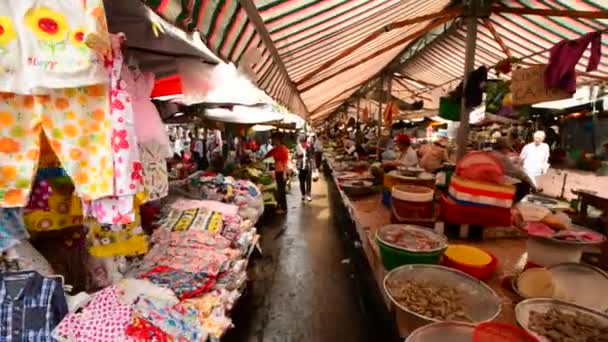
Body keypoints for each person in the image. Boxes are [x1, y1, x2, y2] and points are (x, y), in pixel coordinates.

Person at [264, 133, 290, 214]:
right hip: (277, 172)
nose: (273, 140)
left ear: (278, 140)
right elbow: (266, 156)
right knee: (279, 190)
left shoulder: (283, 149)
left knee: (282, 191)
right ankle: (280, 207)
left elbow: (285, 162)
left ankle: (284, 208)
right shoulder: (275, 149)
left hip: (282, 172)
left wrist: (285, 174)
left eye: (274, 139)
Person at [296, 135, 314, 202]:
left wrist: (313, 167)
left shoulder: (308, 147)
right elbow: (297, 157)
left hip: (308, 166)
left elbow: (311, 157)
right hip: (300, 167)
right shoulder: (298, 147)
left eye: (304, 142)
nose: (303, 143)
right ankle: (303, 194)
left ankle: (308, 195)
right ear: (300, 142)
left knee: (308, 182)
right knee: (302, 182)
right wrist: (297, 168)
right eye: (302, 142)